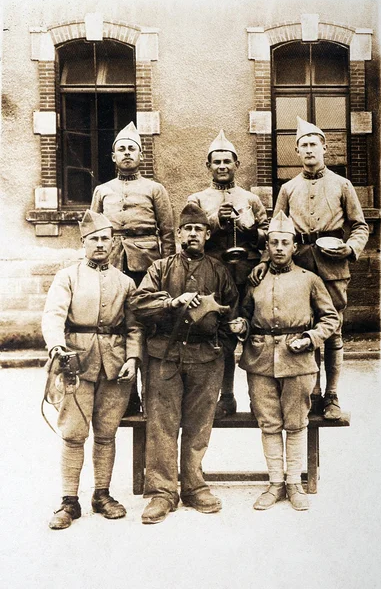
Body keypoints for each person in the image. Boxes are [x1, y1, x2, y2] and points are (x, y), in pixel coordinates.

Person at [251, 117, 369, 419]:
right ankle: (312, 390)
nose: (308, 150)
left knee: (332, 331)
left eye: (313, 144)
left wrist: (351, 248)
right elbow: (275, 229)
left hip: (333, 266)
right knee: (305, 328)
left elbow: (360, 226)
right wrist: (266, 262)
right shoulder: (288, 189)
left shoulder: (342, 185)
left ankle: (332, 395)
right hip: (300, 264)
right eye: (303, 145)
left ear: (324, 148)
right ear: (296, 151)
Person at [130, 203, 239, 524]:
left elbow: (231, 314)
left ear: (207, 235)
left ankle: (193, 485)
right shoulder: (160, 268)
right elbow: (138, 302)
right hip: (164, 356)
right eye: (186, 229)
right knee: (162, 424)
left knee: (199, 424)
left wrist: (225, 336)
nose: (192, 235)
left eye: (198, 230)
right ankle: (162, 492)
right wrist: (170, 301)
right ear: (178, 234)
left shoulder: (219, 271)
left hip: (206, 358)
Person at [41, 210, 143, 530]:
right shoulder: (67, 277)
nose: (100, 244)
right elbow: (53, 316)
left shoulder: (126, 282)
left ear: (113, 243)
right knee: (73, 433)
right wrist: (57, 346)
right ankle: (69, 500)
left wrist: (132, 358)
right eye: (94, 239)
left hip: (114, 365)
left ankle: (102, 494)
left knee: (106, 432)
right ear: (83, 242)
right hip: (76, 362)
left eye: (105, 238)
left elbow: (135, 326)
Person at [233, 211, 339, 511]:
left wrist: (310, 338)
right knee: (268, 423)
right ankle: (275, 483)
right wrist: (241, 325)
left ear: (294, 247)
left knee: (295, 423)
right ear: (266, 246)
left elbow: (330, 319)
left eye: (285, 243)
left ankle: (294, 482)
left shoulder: (310, 280)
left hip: (298, 360)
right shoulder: (255, 280)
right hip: (260, 358)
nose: (278, 248)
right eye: (273, 243)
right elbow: (244, 313)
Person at [91, 121, 176, 414]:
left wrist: (166, 270)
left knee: (149, 325)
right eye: (121, 149)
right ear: (113, 157)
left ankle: (150, 393)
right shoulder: (103, 190)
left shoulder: (155, 189)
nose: (127, 153)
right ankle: (129, 396)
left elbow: (167, 232)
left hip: (147, 263)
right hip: (113, 262)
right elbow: (93, 231)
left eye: (132, 149)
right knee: (120, 323)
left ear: (140, 156)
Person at [188, 130, 268, 418]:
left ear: (237, 164)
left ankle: (260, 399)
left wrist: (250, 229)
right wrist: (214, 221)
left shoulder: (251, 198)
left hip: (248, 275)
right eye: (216, 162)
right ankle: (226, 396)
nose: (222, 166)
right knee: (219, 337)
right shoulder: (197, 198)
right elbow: (189, 236)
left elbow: (268, 237)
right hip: (214, 277)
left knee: (254, 333)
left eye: (227, 161)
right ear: (207, 166)